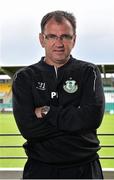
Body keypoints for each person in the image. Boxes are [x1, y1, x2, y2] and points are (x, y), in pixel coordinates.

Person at [12, 10, 105, 179]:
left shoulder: (88, 72)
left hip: (85, 169)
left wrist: (47, 111)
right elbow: (28, 128)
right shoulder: (24, 77)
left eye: (65, 36)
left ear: (74, 40)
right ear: (42, 39)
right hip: (40, 169)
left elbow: (92, 118)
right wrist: (75, 124)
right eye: (52, 36)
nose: (59, 43)